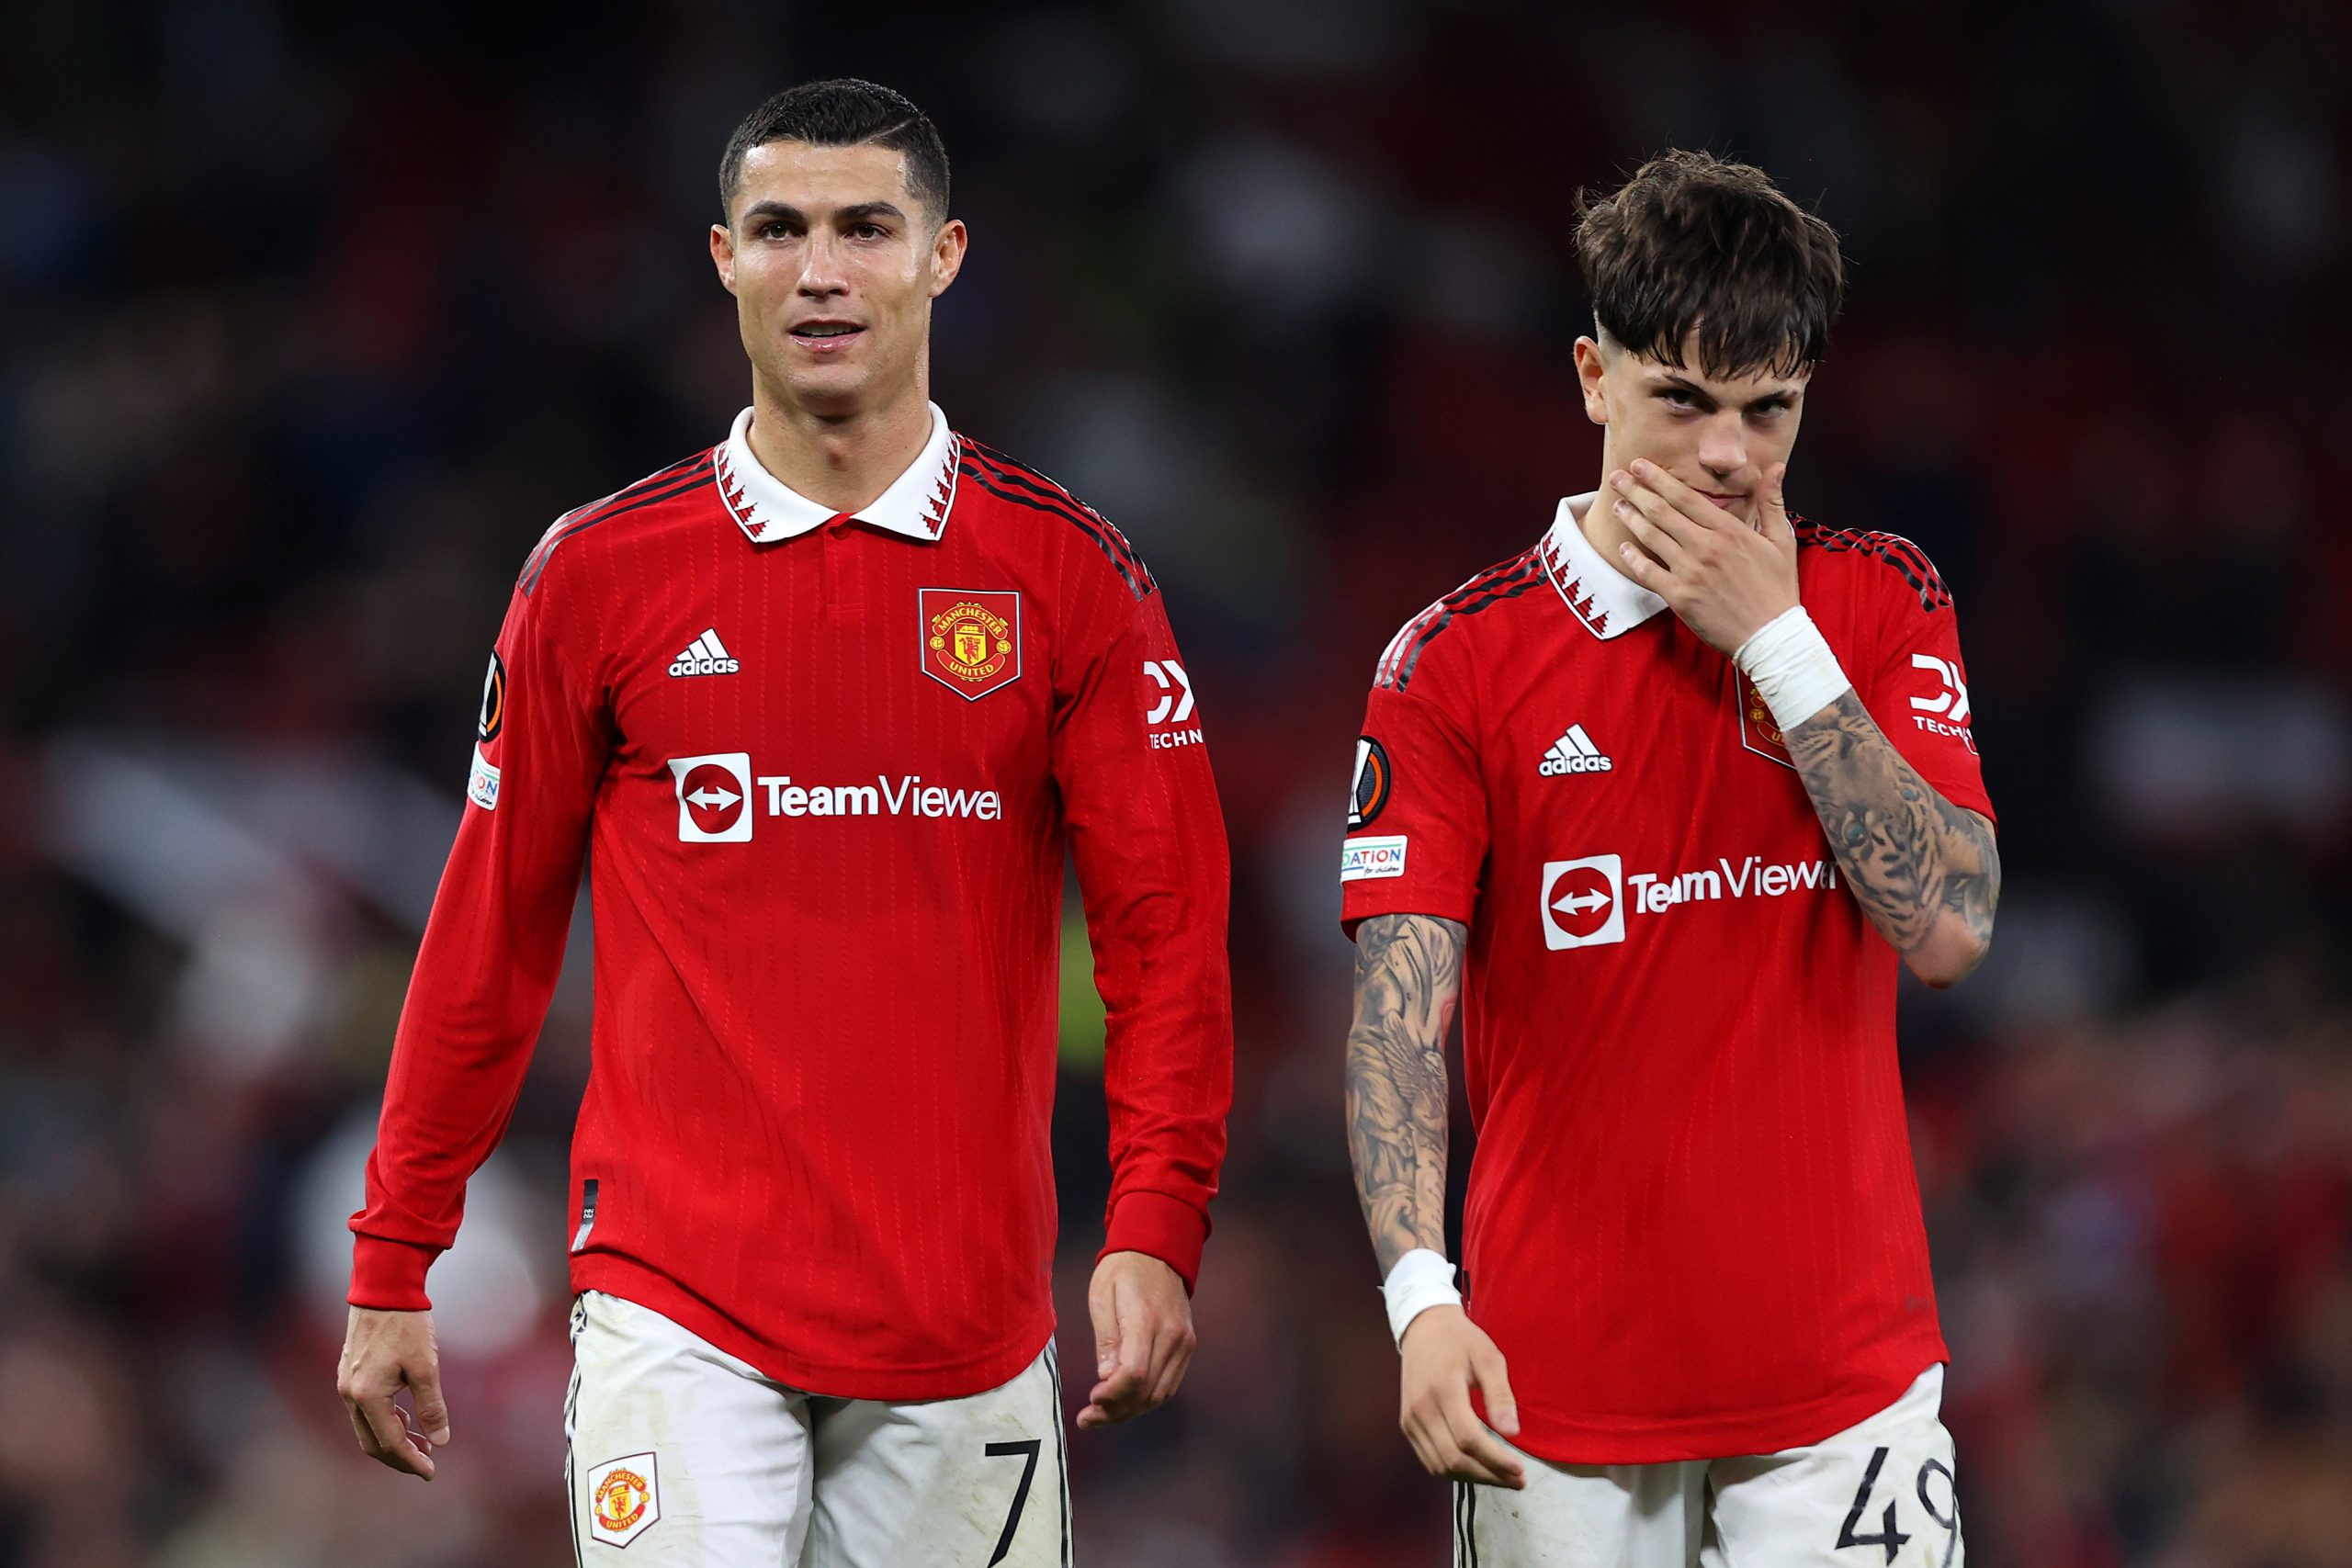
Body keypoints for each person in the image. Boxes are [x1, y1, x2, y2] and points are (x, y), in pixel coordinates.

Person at [335, 78, 1233, 1566]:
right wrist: (394, 1256)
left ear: (945, 257)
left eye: (867, 229)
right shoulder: (601, 577)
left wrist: (1153, 1224)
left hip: (966, 1315)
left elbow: (1167, 941)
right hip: (673, 1300)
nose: (823, 270)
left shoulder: (1070, 578)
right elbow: (488, 936)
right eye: (781, 230)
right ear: (722, 259)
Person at [1340, 150, 1999, 1565]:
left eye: (1769, 411)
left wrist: (1777, 639)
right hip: (1555, 1393)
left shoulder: (1879, 605)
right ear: (1592, 375)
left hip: (1843, 1392)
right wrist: (1418, 1296)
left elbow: (1948, 926)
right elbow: (1400, 1014)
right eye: (1682, 400)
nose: (1725, 456)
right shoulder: (1453, 667)